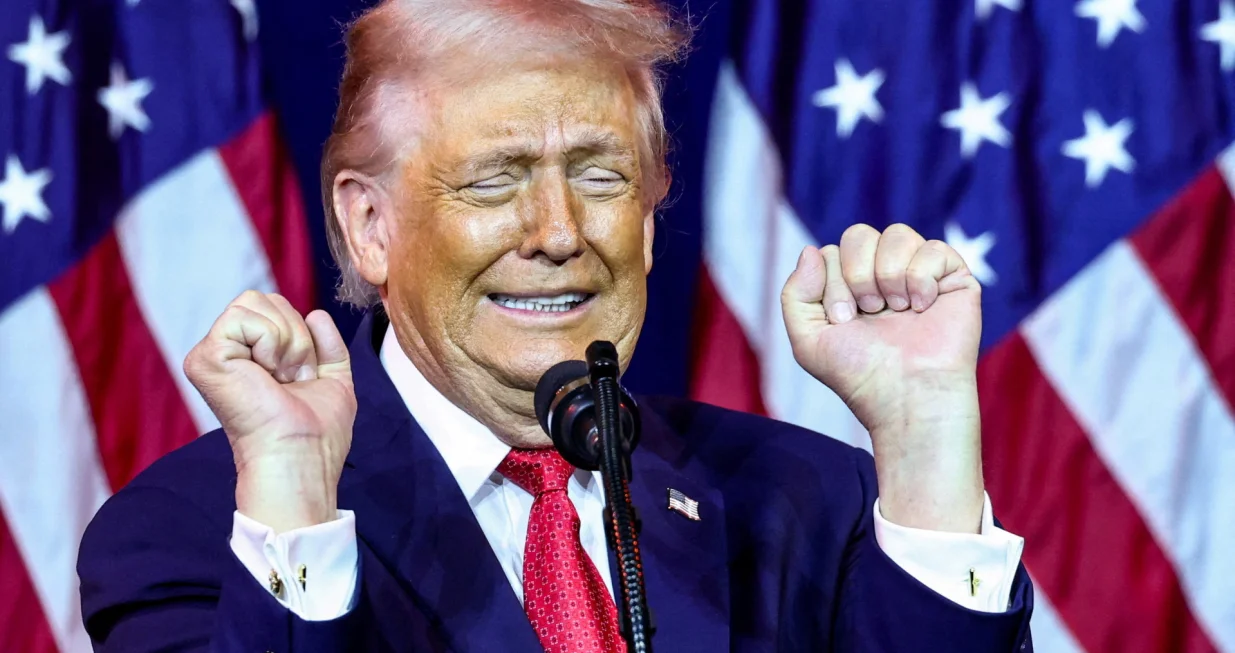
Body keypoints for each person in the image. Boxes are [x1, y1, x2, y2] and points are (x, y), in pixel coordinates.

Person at [77, 0, 1033, 650]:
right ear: (369, 226)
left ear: (650, 217)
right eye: (494, 181)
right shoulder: (198, 534)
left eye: (600, 175)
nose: (559, 232)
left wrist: (925, 438)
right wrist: (292, 499)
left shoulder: (810, 503)